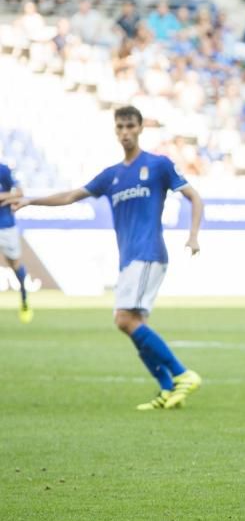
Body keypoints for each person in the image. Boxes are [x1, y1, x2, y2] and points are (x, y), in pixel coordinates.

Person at [3, 106, 203, 411]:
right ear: (115, 131)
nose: (125, 132)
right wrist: (30, 200)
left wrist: (193, 235)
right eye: (120, 127)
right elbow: (70, 196)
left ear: (140, 129)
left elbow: (195, 197)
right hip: (130, 258)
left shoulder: (158, 165)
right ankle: (167, 389)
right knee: (134, 323)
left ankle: (181, 374)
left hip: (148, 253)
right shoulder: (112, 176)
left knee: (124, 320)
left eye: (130, 126)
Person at [0, 162, 32, 323]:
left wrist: (5, 196)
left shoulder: (3, 170)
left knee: (14, 264)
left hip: (6, 226)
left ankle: (24, 299)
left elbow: (19, 192)